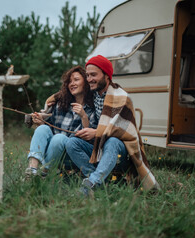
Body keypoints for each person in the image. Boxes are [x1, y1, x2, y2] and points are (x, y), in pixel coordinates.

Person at [65, 55, 160, 196]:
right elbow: (66, 92)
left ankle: (92, 183)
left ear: (106, 75)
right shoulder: (94, 95)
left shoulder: (121, 97)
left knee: (113, 141)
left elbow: (120, 130)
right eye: (88, 75)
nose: (89, 79)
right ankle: (99, 182)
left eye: (93, 75)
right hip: (99, 147)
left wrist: (96, 132)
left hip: (120, 154)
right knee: (72, 142)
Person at [25, 66, 98, 178]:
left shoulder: (92, 108)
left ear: (86, 82)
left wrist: (83, 116)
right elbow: (51, 129)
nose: (72, 83)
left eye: (76, 80)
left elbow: (90, 138)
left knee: (59, 138)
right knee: (42, 129)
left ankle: (45, 173)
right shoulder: (61, 104)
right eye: (69, 81)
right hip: (53, 151)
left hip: (71, 155)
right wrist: (41, 121)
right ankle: (32, 170)